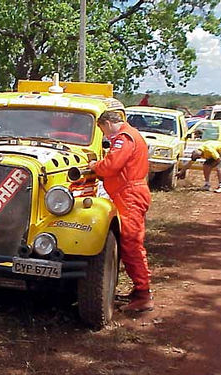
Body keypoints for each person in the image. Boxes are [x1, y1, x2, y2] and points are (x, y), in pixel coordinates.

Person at [88, 111, 153, 313]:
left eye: (103, 130)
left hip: (130, 195)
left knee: (132, 244)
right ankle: (139, 289)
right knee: (129, 243)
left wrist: (94, 166)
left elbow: (111, 166)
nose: (105, 135)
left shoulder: (123, 139)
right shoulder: (130, 135)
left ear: (107, 123)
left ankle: (143, 294)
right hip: (128, 193)